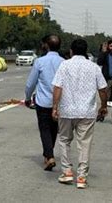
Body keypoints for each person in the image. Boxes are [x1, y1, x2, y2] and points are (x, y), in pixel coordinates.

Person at [52, 39, 108, 189]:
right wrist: (103, 106)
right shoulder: (94, 67)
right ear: (85, 50)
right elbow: (103, 89)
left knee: (64, 140)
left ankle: (67, 172)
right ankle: (82, 177)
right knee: (84, 143)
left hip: (66, 110)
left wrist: (54, 107)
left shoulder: (64, 65)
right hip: (87, 112)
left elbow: (58, 87)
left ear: (71, 51)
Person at [25, 34, 64, 171]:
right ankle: (48, 155)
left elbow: (31, 83)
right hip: (59, 102)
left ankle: (49, 155)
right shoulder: (63, 62)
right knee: (54, 129)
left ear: (46, 45)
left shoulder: (40, 62)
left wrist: (27, 97)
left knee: (44, 129)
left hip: (43, 102)